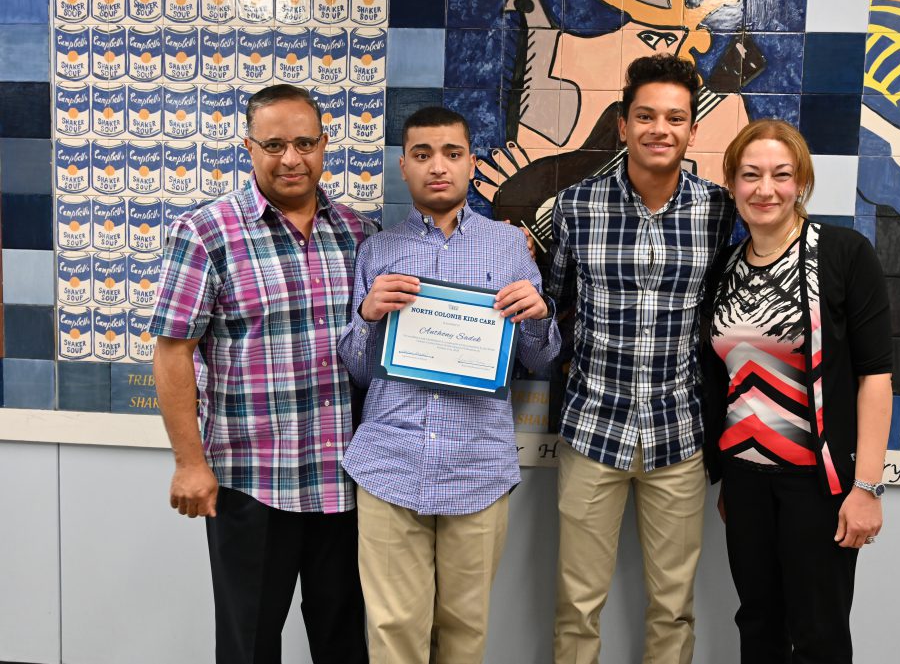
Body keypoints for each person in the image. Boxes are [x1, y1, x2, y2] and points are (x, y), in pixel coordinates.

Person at [150, 84, 374, 664]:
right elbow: (173, 352)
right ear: (248, 147)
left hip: (345, 484)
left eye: (304, 142)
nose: (290, 158)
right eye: (273, 144)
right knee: (249, 645)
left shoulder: (360, 234)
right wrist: (188, 463)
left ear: (325, 145)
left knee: (344, 642)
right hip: (251, 484)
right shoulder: (206, 233)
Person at [337, 106, 560, 664]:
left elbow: (539, 359)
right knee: (394, 631)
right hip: (389, 464)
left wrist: (537, 315)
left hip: (478, 465)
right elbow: (358, 373)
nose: (438, 167)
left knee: (465, 631)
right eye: (422, 155)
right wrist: (366, 318)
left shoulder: (510, 248)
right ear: (404, 169)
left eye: (452, 154)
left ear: (470, 164)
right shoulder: (376, 251)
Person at [547, 53, 736, 664]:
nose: (661, 129)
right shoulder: (576, 205)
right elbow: (555, 304)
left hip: (678, 434)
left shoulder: (717, 210)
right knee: (577, 607)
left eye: (675, 118)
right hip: (591, 430)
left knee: (673, 606)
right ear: (623, 124)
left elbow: (719, 313)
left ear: (692, 130)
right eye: (646, 115)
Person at [701, 118, 893, 663]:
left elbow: (875, 377)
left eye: (781, 175)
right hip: (743, 484)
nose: (766, 189)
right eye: (750, 175)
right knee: (757, 623)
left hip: (818, 485)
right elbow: (727, 382)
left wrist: (868, 488)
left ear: (802, 182)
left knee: (819, 634)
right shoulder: (725, 270)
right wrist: (730, 483)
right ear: (733, 183)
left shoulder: (843, 255)